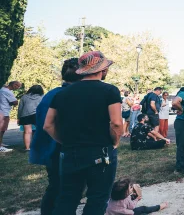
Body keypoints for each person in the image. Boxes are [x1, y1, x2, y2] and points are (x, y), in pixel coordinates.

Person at [44, 51, 124, 214]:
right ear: (102, 70)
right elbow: (116, 123)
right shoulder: (110, 91)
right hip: (100, 152)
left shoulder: (62, 93)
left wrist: (63, 142)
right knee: (97, 198)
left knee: (67, 198)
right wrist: (115, 142)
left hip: (70, 152)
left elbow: (48, 125)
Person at [30, 58, 81, 214]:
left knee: (56, 186)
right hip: (59, 149)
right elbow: (49, 125)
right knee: (66, 189)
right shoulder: (67, 95)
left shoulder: (52, 94)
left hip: (50, 149)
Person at [18, 84, 44, 151]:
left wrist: (19, 117)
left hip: (25, 115)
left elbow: (20, 108)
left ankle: (27, 148)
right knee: (39, 131)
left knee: (27, 132)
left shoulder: (24, 97)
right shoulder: (42, 97)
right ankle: (38, 146)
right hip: (37, 115)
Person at [0, 80, 21, 152]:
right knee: (1, 130)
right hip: (4, 112)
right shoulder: (7, 91)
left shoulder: (3, 89)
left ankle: (1, 143)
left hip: (3, 111)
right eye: (18, 86)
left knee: (2, 130)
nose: (18, 88)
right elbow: (15, 101)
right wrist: (15, 102)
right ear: (14, 84)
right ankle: (0, 147)